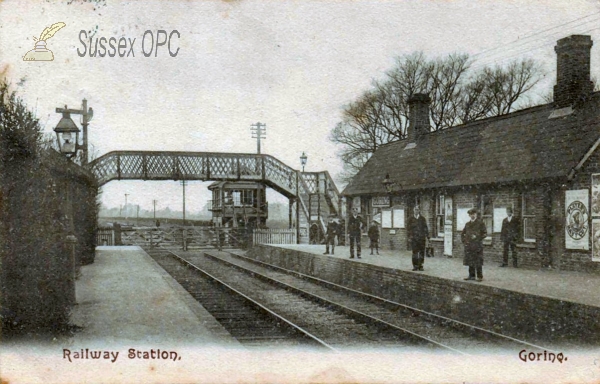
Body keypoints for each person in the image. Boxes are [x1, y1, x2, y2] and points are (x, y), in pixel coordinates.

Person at [462, 208, 487, 281]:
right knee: (470, 260)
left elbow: (484, 233)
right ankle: (471, 275)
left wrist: (477, 237)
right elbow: (463, 233)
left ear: (476, 214)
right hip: (469, 246)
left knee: (478, 261)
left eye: (473, 214)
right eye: (470, 214)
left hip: (477, 245)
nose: (472, 215)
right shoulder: (467, 224)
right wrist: (464, 241)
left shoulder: (480, 223)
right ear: (469, 215)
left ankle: (479, 276)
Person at [407, 206, 429, 271]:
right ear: (413, 210)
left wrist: (427, 236)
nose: (416, 211)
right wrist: (409, 237)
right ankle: (415, 265)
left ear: (419, 211)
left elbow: (425, 228)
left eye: (417, 210)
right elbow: (408, 229)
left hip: (421, 238)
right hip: (414, 239)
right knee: (415, 252)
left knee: (422, 252)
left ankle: (420, 265)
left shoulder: (422, 219)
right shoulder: (410, 219)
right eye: (415, 210)